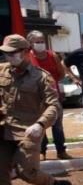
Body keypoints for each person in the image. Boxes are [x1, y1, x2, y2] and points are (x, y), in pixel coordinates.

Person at [0, 35, 74, 185]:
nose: (9, 57)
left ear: (25, 52)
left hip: (28, 130)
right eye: (6, 53)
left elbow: (53, 106)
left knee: (26, 172)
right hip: (4, 129)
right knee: (0, 174)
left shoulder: (41, 77)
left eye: (13, 53)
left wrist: (41, 124)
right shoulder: (1, 71)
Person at [26, 30, 72, 160]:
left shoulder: (53, 56)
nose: (41, 44)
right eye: (37, 42)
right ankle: (42, 151)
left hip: (53, 95)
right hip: (36, 97)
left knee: (57, 125)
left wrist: (52, 83)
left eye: (42, 41)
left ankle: (61, 150)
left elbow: (61, 73)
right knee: (40, 124)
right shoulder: (27, 57)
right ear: (31, 43)